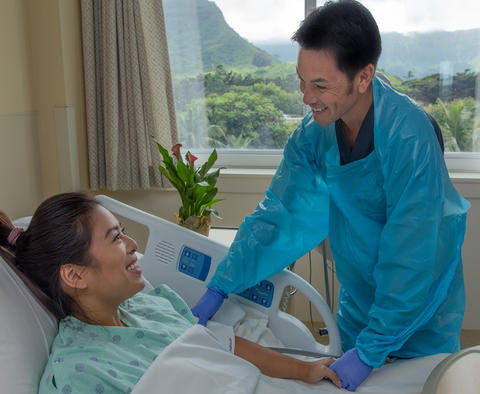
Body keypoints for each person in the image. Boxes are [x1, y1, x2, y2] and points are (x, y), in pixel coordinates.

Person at [191, 0, 471, 391]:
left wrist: (373, 351)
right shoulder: (313, 135)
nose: (307, 97)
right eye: (302, 81)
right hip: (359, 303)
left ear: (363, 76)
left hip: (419, 310)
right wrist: (222, 284)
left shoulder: (409, 137)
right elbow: (279, 216)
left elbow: (413, 252)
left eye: (321, 85)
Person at [0, 192, 342, 393]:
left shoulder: (152, 305)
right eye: (116, 238)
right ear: (75, 274)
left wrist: (304, 370)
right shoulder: (79, 372)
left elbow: (224, 346)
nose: (134, 245)